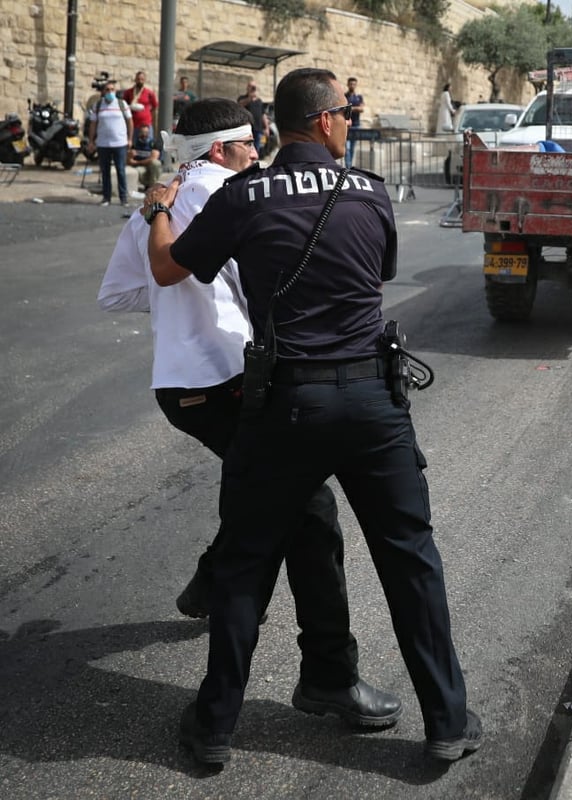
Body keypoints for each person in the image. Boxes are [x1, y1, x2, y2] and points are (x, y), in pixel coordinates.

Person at [146, 68, 482, 767]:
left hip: (284, 406)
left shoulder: (243, 196)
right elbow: (379, 269)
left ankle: (212, 730)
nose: (352, 122)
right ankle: (447, 721)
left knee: (244, 562)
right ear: (326, 120)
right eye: (349, 112)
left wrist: (157, 208)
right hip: (372, 404)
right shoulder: (369, 191)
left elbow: (174, 266)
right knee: (410, 560)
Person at [99, 99, 401, 764]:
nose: (259, 155)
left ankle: (224, 595)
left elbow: (124, 291)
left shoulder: (164, 198)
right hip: (238, 381)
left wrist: (182, 304)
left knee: (268, 501)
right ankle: (322, 677)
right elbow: (265, 289)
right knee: (307, 515)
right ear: (224, 148)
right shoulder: (238, 198)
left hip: (181, 386)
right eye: (250, 145)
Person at [86, 79, 132, 206]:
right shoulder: (98, 105)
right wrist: (91, 141)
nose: (110, 92)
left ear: (115, 91)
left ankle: (123, 198)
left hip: (120, 143)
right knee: (105, 172)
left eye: (112, 89)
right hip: (103, 144)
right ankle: (106, 198)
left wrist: (129, 138)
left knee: (121, 171)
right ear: (103, 92)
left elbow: (130, 122)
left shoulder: (122, 104)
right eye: (107, 90)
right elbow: (93, 124)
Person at [237, 81, 269, 156]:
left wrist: (266, 127)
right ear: (247, 88)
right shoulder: (242, 98)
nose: (252, 88)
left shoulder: (259, 101)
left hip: (258, 128)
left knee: (256, 148)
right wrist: (250, 98)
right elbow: (239, 105)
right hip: (247, 128)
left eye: (254, 87)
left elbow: (263, 115)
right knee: (246, 147)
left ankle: (253, 162)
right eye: (251, 86)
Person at [127, 123, 161, 192]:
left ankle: (152, 186)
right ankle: (147, 185)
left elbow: (153, 158)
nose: (144, 135)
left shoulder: (154, 143)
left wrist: (137, 162)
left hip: (150, 166)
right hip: (140, 167)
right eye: (142, 132)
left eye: (146, 132)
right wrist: (130, 156)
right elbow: (129, 161)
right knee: (138, 171)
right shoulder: (135, 143)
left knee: (156, 163)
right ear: (139, 133)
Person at [343, 76, 365, 168]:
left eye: (354, 84)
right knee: (346, 148)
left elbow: (361, 109)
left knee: (352, 148)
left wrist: (350, 108)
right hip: (346, 126)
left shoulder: (359, 97)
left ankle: (349, 166)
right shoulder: (344, 96)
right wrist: (354, 108)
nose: (352, 85)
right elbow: (343, 108)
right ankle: (348, 167)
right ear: (348, 84)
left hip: (356, 125)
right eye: (350, 83)